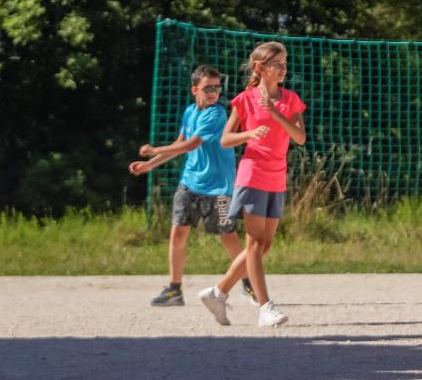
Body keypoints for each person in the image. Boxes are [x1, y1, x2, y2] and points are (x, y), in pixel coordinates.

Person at [197, 41, 305, 328]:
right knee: (255, 242)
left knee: (265, 245)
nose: (283, 69)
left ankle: (217, 292)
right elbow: (224, 139)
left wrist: (276, 113)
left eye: (285, 64)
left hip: (276, 177)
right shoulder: (244, 99)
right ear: (260, 68)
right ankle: (265, 306)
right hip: (252, 174)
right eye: (277, 64)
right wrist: (249, 134)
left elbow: (300, 138)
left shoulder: (291, 99)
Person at [127, 65, 255, 307]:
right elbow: (180, 143)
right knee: (178, 233)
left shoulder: (216, 114)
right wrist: (151, 164)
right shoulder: (189, 112)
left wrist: (155, 149)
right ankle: (174, 291)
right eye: (208, 88)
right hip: (190, 182)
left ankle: (250, 284)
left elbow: (191, 145)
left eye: (217, 88)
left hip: (219, 187)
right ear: (194, 89)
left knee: (228, 237)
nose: (214, 92)